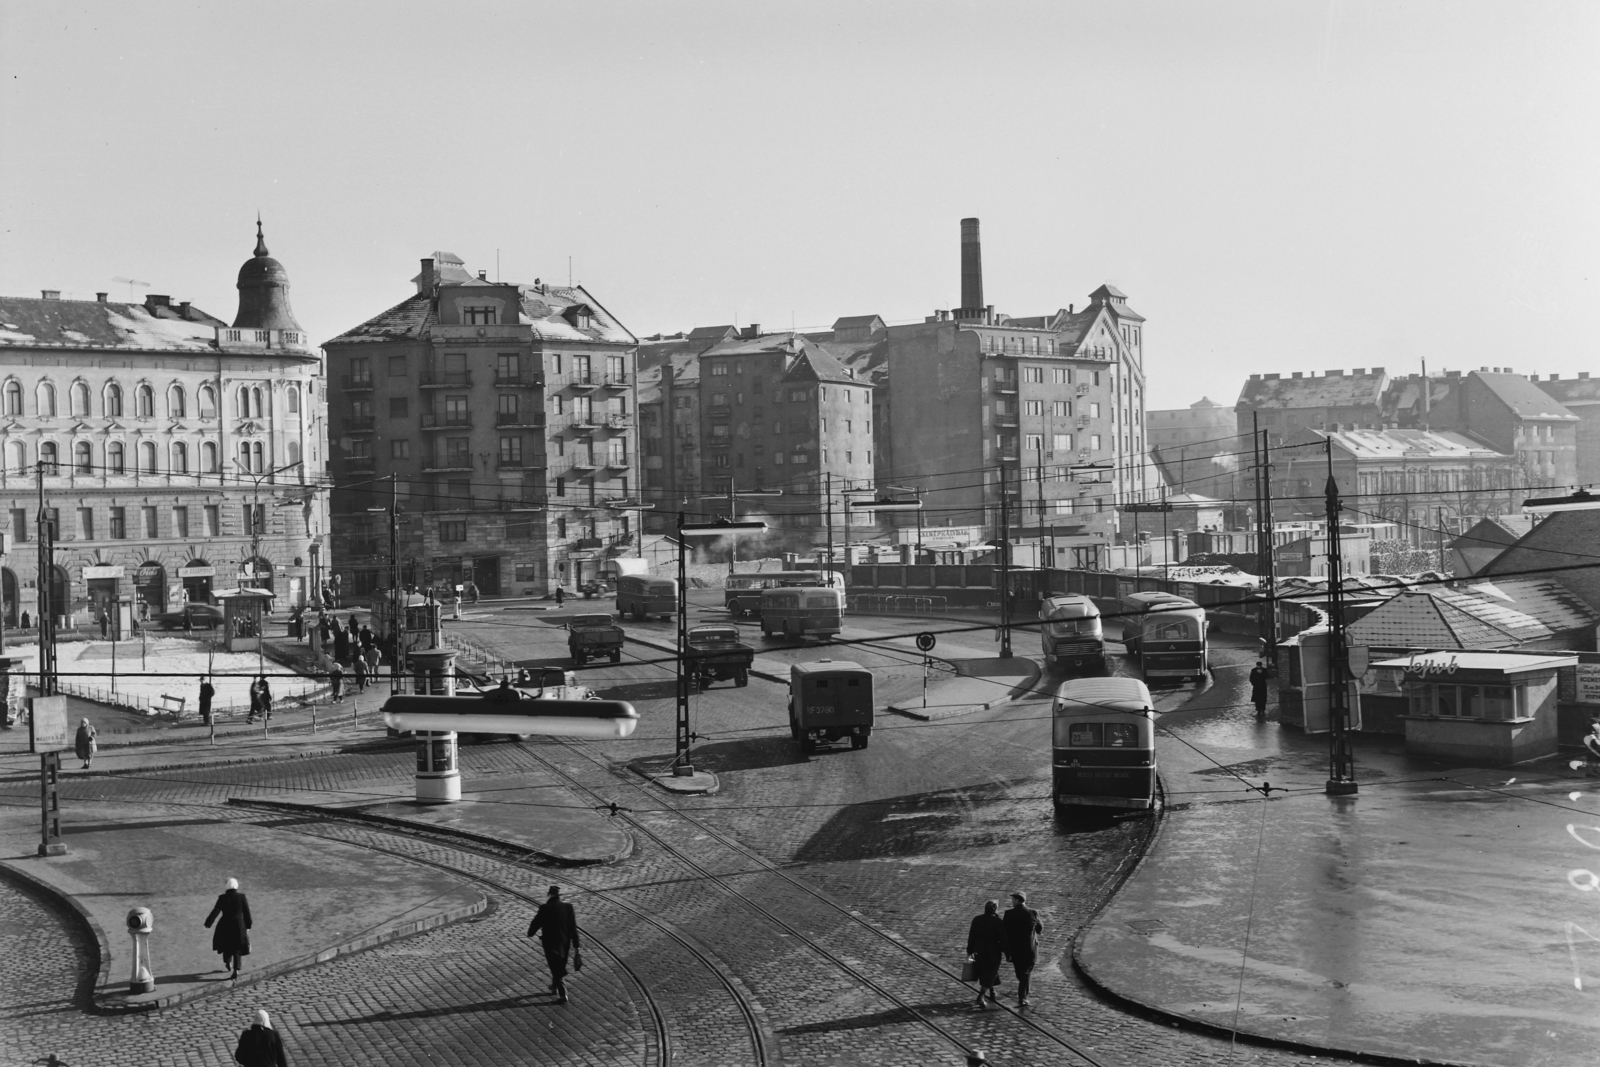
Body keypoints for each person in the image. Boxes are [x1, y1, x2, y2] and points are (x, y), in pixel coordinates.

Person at [526, 885, 582, 1004]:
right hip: (565, 943)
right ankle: (554, 986)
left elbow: (536, 922)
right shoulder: (568, 907)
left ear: (549, 895)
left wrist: (530, 933)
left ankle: (563, 993)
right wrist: (577, 946)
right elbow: (573, 928)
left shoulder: (545, 908)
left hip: (550, 943)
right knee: (559, 964)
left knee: (555, 966)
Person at [203, 876, 252, 979]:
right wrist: (248, 925)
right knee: (237, 947)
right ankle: (236, 969)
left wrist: (208, 923)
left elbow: (216, 911)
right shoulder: (242, 897)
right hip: (239, 925)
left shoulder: (222, 898)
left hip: (225, 924)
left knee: (227, 945)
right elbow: (247, 913)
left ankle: (227, 962)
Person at [1002, 891, 1043, 1007]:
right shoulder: (1033, 913)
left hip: (1015, 950)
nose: (1012, 901)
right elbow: (1040, 929)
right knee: (1025, 973)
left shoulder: (1009, 914)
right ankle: (1023, 996)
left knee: (1022, 973)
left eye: (1013, 899)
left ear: (1016, 900)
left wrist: (1005, 949)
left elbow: (1004, 933)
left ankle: (1023, 996)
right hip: (1029, 950)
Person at [965, 899, 1007, 1009]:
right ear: (995, 909)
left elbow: (972, 936)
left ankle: (992, 991)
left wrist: (970, 950)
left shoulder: (977, 919)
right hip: (993, 951)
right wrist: (1007, 951)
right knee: (991, 972)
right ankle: (981, 996)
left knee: (985, 971)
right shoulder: (998, 922)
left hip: (978, 950)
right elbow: (1003, 939)